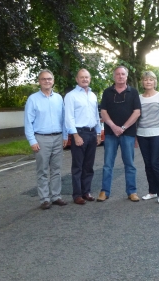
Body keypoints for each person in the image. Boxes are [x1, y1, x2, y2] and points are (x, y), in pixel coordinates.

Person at [24, 69, 68, 210]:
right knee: (42, 170)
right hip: (41, 138)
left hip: (58, 137)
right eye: (44, 79)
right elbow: (28, 122)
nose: (47, 81)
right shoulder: (33, 99)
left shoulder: (59, 98)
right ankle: (44, 199)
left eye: (49, 79)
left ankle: (56, 196)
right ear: (39, 81)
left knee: (56, 169)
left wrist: (65, 136)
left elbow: (63, 119)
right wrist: (32, 141)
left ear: (53, 81)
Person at [97, 66, 141, 202]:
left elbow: (137, 112)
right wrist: (113, 126)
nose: (120, 76)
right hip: (110, 133)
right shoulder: (107, 92)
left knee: (129, 164)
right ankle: (104, 191)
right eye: (117, 74)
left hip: (128, 134)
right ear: (114, 76)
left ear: (126, 76)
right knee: (108, 164)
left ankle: (132, 191)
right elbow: (103, 111)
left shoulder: (133, 92)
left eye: (123, 74)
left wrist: (123, 127)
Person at [64, 69, 102, 205]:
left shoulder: (92, 95)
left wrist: (98, 133)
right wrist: (75, 135)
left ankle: (86, 192)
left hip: (92, 133)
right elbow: (68, 117)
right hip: (79, 133)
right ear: (76, 79)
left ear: (90, 79)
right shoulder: (71, 96)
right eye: (82, 77)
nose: (85, 79)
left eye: (87, 77)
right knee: (78, 167)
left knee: (88, 166)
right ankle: (77, 195)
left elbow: (96, 116)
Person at [136, 71, 159, 204]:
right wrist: (135, 136)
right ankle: (152, 191)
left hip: (157, 134)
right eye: (145, 80)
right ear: (142, 82)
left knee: (155, 163)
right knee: (147, 164)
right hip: (142, 134)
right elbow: (137, 117)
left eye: (151, 79)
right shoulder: (138, 98)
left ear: (155, 82)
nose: (148, 82)